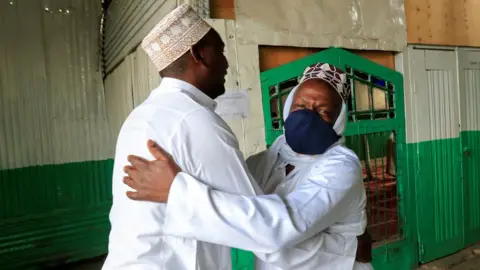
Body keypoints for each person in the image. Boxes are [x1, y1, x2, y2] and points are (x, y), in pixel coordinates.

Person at [123, 63, 374, 270]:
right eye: (301, 106)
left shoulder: (342, 167)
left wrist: (176, 191)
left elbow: (279, 227)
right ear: (287, 108)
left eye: (322, 112)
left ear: (338, 121)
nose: (308, 115)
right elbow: (233, 207)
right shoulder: (263, 161)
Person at [102, 4, 263, 270]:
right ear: (198, 54)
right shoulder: (194, 119)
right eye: (221, 51)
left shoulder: (141, 116)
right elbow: (259, 222)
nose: (226, 63)